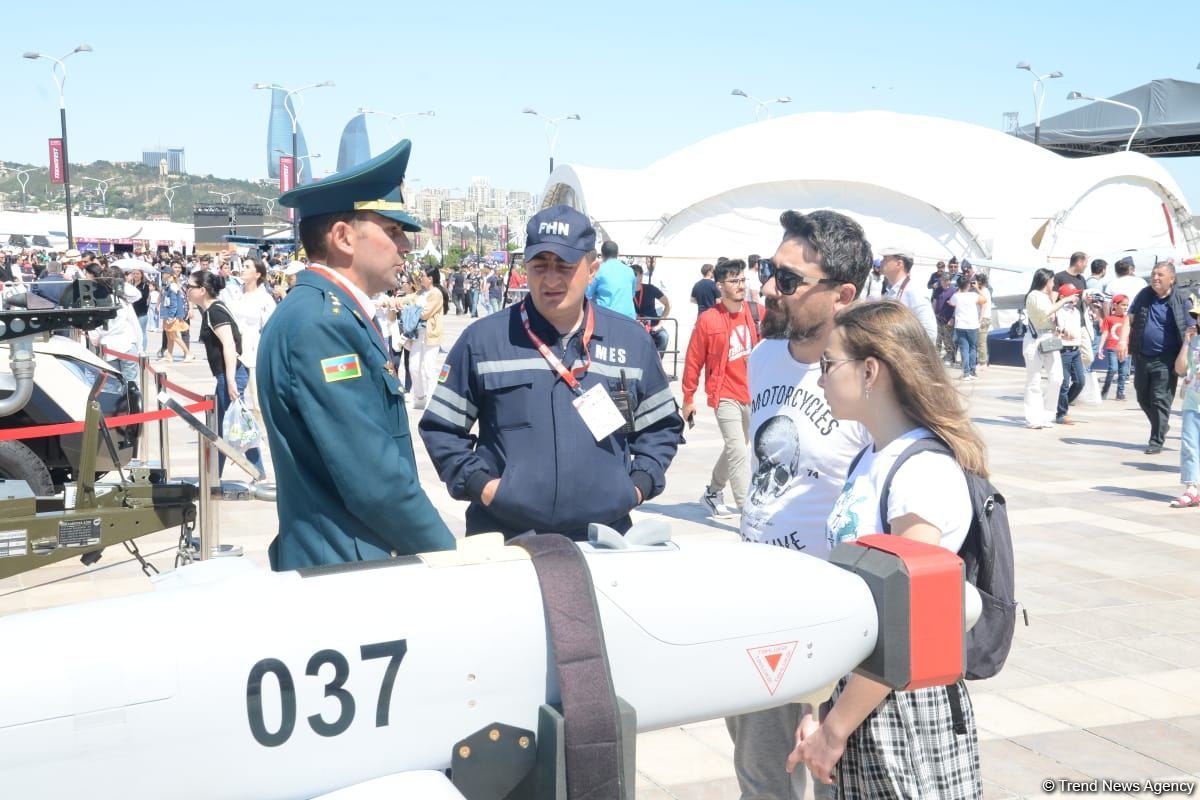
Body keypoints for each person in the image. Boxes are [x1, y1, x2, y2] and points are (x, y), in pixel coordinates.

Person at [794, 299, 983, 798]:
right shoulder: (872, 456)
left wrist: (834, 730)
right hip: (862, 696)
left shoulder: (920, 472)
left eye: (828, 365)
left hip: (901, 708)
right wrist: (819, 708)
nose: (820, 379)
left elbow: (911, 615)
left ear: (870, 370)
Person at [419, 204, 682, 540]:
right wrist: (484, 488)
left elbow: (661, 427)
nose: (551, 279)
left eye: (565, 266)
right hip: (506, 538)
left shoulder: (631, 341)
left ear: (592, 269)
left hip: (604, 539)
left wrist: (636, 487)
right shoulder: (484, 340)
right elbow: (441, 429)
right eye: (540, 266)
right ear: (526, 268)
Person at [257, 139, 455, 570]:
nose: (405, 246)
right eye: (392, 230)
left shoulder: (327, 312)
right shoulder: (321, 324)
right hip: (346, 565)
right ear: (344, 237)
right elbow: (374, 480)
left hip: (347, 557)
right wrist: (448, 555)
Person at [730, 209, 872, 800]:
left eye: (788, 280)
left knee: (836, 780)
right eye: (770, 271)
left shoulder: (869, 378)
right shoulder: (762, 360)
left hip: (833, 621)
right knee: (764, 780)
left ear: (843, 294)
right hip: (757, 607)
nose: (769, 288)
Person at [682, 259, 763, 518]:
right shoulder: (708, 320)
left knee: (735, 448)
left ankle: (712, 492)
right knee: (738, 449)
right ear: (720, 285)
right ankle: (746, 513)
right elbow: (694, 359)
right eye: (733, 281)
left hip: (753, 394)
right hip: (724, 393)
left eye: (742, 280)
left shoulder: (757, 312)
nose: (740, 285)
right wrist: (688, 397)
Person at [187, 269, 265, 480]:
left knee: (230, 426)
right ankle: (217, 475)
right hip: (227, 374)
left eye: (190, 287)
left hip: (231, 374)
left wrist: (230, 380)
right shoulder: (212, 310)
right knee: (224, 426)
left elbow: (229, 345)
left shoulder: (215, 311)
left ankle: (255, 472)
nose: (187, 290)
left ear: (202, 290)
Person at [1119, 263, 1190, 455]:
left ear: (1172, 279)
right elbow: (1129, 318)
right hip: (1142, 355)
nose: (1155, 278)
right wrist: (1123, 341)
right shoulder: (1144, 295)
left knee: (1160, 399)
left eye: (1160, 275)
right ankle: (1162, 424)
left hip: (1167, 358)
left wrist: (1186, 354)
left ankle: (1156, 440)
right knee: (1142, 396)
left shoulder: (1182, 299)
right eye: (1153, 274)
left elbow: (1191, 329)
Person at [1023, 268, 1076, 429]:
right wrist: (1064, 300)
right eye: (1052, 280)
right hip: (1034, 339)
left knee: (1057, 378)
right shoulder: (1033, 295)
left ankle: (1047, 414)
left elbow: (1051, 320)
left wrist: (1061, 330)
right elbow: (1046, 313)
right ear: (1046, 280)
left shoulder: (1047, 297)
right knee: (1034, 380)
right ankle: (1033, 418)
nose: (1053, 284)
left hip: (1050, 337)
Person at [1172, 302, 1200, 507]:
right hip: (1192, 401)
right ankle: (1192, 488)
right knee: (1190, 446)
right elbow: (1181, 369)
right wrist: (1185, 343)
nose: (1197, 320)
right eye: (1197, 316)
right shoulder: (1194, 341)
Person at [878, 246, 937, 343]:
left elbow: (930, 334)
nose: (881, 262)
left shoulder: (914, 291)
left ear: (899, 264)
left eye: (885, 259)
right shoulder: (890, 291)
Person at [410, 264, 448, 410]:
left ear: (430, 278)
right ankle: (419, 397)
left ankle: (432, 400)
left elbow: (425, 313)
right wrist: (391, 302)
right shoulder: (420, 293)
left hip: (431, 335)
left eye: (422, 275)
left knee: (428, 369)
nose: (420, 278)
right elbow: (407, 299)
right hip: (417, 335)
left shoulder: (436, 293)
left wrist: (410, 309)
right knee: (413, 367)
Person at [1054, 283, 1088, 424]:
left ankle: (1060, 404)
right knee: (1064, 383)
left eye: (1077, 294)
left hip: (1076, 350)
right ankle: (1061, 413)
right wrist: (1064, 332)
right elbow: (1058, 327)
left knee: (1080, 381)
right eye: (1072, 294)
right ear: (1063, 297)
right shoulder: (1060, 311)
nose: (1076, 297)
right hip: (1064, 350)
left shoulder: (1077, 311)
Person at [948, 275, 985, 380]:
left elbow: (951, 303)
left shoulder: (956, 296)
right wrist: (977, 288)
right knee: (973, 348)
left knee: (964, 348)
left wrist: (958, 291)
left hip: (960, 325)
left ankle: (966, 373)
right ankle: (973, 372)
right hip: (973, 325)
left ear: (958, 285)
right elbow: (984, 300)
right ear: (969, 285)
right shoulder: (973, 295)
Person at [586, 240, 637, 318]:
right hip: (629, 318)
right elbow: (632, 294)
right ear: (617, 253)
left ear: (602, 254)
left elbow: (587, 295)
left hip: (607, 318)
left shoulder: (598, 270)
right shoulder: (630, 271)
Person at [631, 263, 671, 355]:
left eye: (635, 274)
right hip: (633, 325)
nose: (633, 277)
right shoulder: (625, 290)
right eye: (631, 275)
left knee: (663, 336)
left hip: (653, 325)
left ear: (641, 275)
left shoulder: (650, 288)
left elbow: (668, 304)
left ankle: (657, 363)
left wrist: (660, 324)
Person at [1098, 294, 1130, 400]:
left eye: (1127, 305)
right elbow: (1105, 333)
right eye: (1123, 305)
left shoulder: (1128, 318)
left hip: (1125, 349)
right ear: (1115, 305)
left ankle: (1120, 393)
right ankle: (1105, 389)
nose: (1125, 307)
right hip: (1112, 347)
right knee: (1113, 369)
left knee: (1123, 372)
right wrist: (1100, 348)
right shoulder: (1109, 319)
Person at [159, 263, 194, 362]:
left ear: (169, 275)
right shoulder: (168, 285)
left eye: (164, 273)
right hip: (167, 314)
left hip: (171, 315)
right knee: (169, 336)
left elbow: (174, 303)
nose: (162, 275)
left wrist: (171, 316)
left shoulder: (173, 286)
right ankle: (169, 356)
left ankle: (188, 353)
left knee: (174, 336)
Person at [976, 272, 993, 369]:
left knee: (981, 342)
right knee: (981, 341)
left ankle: (982, 363)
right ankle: (983, 361)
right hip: (985, 318)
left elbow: (984, 304)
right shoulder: (983, 290)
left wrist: (980, 319)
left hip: (984, 318)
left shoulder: (984, 291)